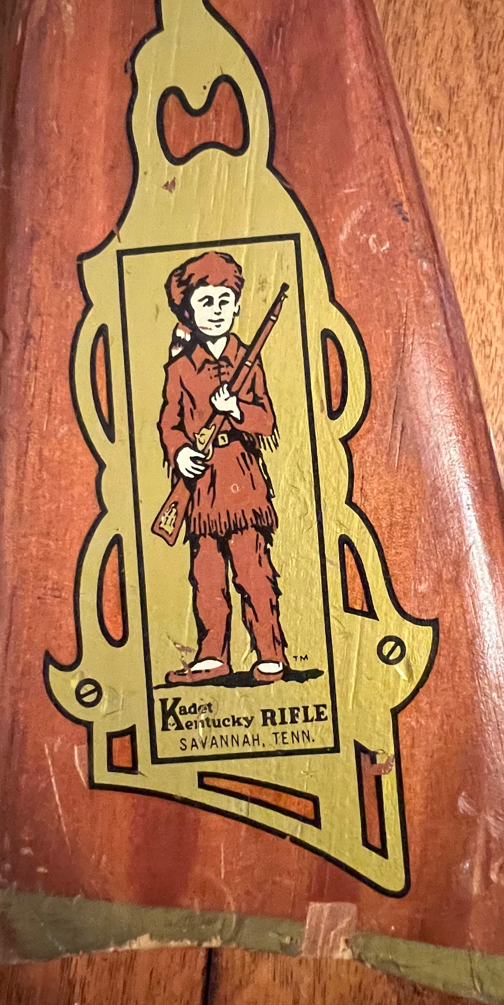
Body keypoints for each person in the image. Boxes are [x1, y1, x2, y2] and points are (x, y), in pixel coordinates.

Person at [157, 251, 288, 685]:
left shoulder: (248, 360)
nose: (215, 311)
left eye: (223, 301)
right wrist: (180, 453)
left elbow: (266, 419)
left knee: (253, 570)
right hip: (201, 484)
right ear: (190, 311)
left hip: (241, 477)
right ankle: (212, 655)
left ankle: (270, 652)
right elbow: (170, 423)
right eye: (205, 302)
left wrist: (235, 411)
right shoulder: (179, 368)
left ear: (236, 306)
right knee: (207, 575)